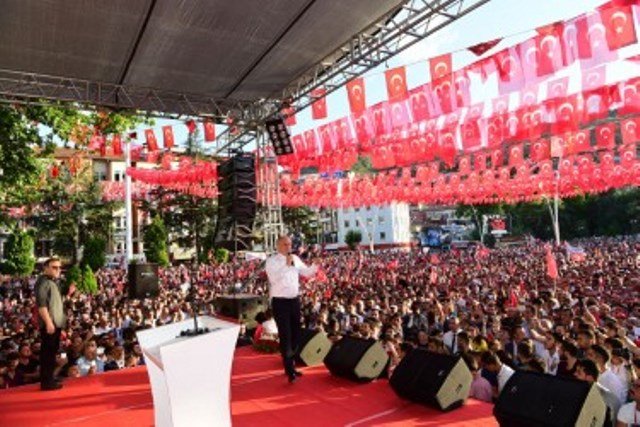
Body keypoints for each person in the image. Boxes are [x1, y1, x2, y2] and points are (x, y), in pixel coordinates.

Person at [265, 235, 317, 383]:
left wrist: (315, 265)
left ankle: (291, 363)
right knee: (285, 335)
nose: (289, 247)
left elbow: (306, 273)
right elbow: (274, 279)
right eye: (285, 244)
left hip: (294, 300)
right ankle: (289, 370)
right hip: (280, 302)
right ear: (278, 246)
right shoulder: (272, 261)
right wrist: (286, 266)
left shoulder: (295, 258)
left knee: (295, 335)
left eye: (289, 244)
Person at [35, 257, 72, 391]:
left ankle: (49, 378)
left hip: (55, 324)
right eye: (54, 267)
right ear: (46, 268)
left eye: (59, 267)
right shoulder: (43, 282)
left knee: (51, 352)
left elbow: (55, 303)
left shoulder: (53, 282)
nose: (58, 270)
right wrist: (49, 323)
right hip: (49, 325)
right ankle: (47, 382)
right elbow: (42, 306)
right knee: (48, 353)